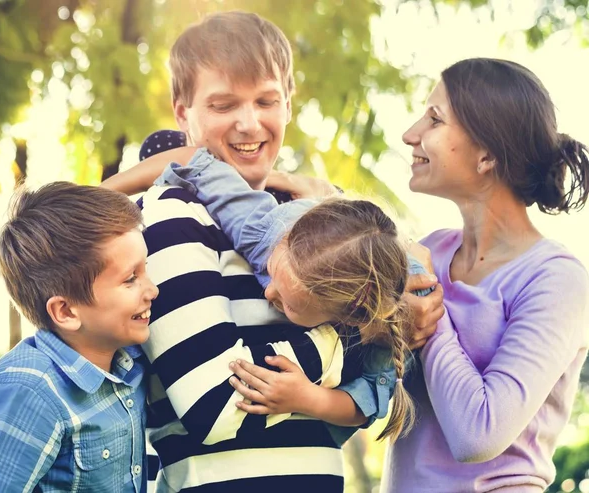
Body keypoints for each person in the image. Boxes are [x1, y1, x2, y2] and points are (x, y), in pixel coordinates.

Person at [107, 11, 443, 493]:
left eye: (266, 100)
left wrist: (403, 294)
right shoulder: (171, 215)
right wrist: (351, 331)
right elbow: (218, 406)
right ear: (183, 114)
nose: (249, 123)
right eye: (223, 105)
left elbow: (362, 400)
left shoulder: (321, 227)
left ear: (288, 104)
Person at [105, 144, 434, 444]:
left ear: (348, 317)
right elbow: (199, 164)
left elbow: (365, 402)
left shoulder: (391, 326)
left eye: (286, 303)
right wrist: (87, 203)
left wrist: (308, 399)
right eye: (273, 271)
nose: (268, 291)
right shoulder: (264, 226)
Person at [384, 58, 589, 492]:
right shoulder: (431, 248)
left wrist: (429, 313)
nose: (410, 134)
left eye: (435, 119)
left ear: (488, 156)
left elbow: (477, 433)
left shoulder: (555, 279)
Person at [0, 182, 159, 492]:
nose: (152, 290)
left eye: (146, 270)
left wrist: (277, 182)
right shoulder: (30, 393)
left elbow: (188, 160)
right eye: (130, 279)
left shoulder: (129, 363)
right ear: (66, 312)